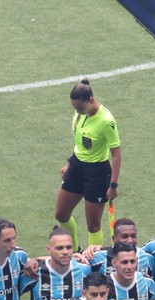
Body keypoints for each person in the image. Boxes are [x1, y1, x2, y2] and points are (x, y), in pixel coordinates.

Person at [54, 78, 121, 249]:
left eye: (80, 107)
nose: (77, 111)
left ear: (90, 100)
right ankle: (75, 251)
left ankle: (93, 263)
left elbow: (117, 155)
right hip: (77, 167)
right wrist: (70, 163)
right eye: (74, 108)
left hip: (97, 173)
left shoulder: (106, 121)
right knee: (61, 214)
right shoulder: (80, 113)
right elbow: (81, 142)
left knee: (93, 225)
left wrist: (113, 185)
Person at [19, 228, 92, 300]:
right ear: (48, 249)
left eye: (69, 247)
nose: (65, 252)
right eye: (59, 248)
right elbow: (11, 297)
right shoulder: (35, 272)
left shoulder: (84, 270)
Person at [84, 217, 155, 277]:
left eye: (133, 236)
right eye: (125, 236)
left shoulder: (147, 258)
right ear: (113, 239)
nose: (130, 240)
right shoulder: (97, 258)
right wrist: (84, 253)